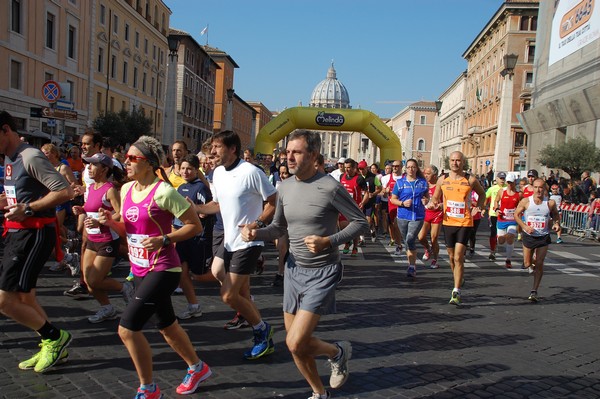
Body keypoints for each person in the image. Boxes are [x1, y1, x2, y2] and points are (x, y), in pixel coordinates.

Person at [241, 130, 368, 399]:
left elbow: (360, 222)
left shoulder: (331, 187)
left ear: (312, 156)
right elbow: (278, 229)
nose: (288, 157)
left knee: (295, 340)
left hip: (323, 270)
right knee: (295, 346)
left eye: (296, 152)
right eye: (287, 152)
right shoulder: (284, 187)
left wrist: (328, 241)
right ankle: (320, 390)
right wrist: (256, 233)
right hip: (293, 269)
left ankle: (337, 352)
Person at [99, 135, 211, 398]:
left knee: (127, 329)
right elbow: (129, 229)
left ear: (148, 163)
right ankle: (197, 367)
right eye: (125, 157)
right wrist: (109, 223)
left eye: (132, 158)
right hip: (139, 268)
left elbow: (194, 225)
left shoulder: (164, 192)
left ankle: (148, 388)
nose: (126, 162)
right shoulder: (126, 190)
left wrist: (165, 238)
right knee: (167, 326)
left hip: (164, 268)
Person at [0, 110, 74, 373]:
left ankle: (55, 337)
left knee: (5, 300)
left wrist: (28, 208)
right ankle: (51, 344)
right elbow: (15, 197)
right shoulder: (10, 158)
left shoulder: (29, 155)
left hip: (33, 233)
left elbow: (63, 190)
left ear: (5, 129)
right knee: (26, 297)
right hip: (17, 232)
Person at [197, 130, 277, 360]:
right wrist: (195, 208)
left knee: (228, 296)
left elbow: (273, 201)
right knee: (216, 271)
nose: (212, 152)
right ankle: (246, 302)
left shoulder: (251, 172)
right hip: (229, 239)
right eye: (212, 147)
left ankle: (262, 330)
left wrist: (257, 223)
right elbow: (216, 204)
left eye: (217, 147)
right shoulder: (218, 173)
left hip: (248, 242)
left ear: (232, 149)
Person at [72, 153, 132, 323]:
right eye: (88, 165)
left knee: (94, 279)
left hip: (107, 240)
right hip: (92, 239)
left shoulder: (110, 190)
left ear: (105, 169)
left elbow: (120, 214)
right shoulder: (91, 188)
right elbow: (90, 207)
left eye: (93, 165)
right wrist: (81, 209)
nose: (88, 168)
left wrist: (102, 222)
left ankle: (124, 287)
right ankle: (108, 308)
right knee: (89, 282)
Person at [427, 151, 485, 306]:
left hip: (465, 222)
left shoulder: (470, 179)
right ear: (449, 162)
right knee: (452, 257)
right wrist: (434, 203)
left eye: (458, 160)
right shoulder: (442, 180)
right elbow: (435, 197)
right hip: (448, 222)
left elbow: (482, 195)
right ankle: (459, 277)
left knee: (459, 256)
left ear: (463, 162)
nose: (455, 163)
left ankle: (456, 291)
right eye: (452, 160)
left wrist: (478, 207)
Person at [174, 154, 214, 320]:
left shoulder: (201, 188)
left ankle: (234, 283)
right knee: (182, 273)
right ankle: (194, 306)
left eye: (189, 168)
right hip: (183, 237)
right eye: (183, 168)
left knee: (199, 275)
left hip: (199, 238)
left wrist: (199, 210)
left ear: (196, 170)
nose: (185, 171)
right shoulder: (180, 188)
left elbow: (209, 209)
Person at [514, 178, 561, 302]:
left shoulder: (550, 203)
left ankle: (534, 291)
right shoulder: (526, 201)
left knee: (539, 263)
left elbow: (555, 214)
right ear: (532, 188)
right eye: (536, 187)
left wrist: (556, 223)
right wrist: (524, 226)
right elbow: (516, 215)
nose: (538, 190)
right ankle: (532, 261)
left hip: (543, 236)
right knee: (527, 264)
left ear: (544, 188)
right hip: (529, 236)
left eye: (541, 187)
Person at [390, 159, 429, 277]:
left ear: (417, 168)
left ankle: (412, 266)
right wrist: (402, 203)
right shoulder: (400, 183)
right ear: (405, 169)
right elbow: (393, 199)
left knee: (410, 238)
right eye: (409, 167)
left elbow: (427, 197)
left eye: (413, 167)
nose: (411, 169)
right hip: (402, 216)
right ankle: (411, 265)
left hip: (417, 216)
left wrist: (426, 200)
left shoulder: (422, 182)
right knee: (407, 241)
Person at [339, 159, 368, 256]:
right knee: (343, 226)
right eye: (345, 168)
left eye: (349, 168)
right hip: (343, 206)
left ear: (354, 168)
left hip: (355, 207)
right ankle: (347, 242)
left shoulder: (359, 179)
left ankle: (355, 247)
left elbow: (366, 193)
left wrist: (363, 202)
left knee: (354, 228)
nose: (347, 170)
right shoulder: (341, 177)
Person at [494, 175, 521, 268]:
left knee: (510, 239)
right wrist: (496, 209)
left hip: (513, 220)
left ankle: (508, 260)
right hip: (502, 219)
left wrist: (519, 213)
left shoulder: (518, 194)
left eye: (511, 182)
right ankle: (504, 237)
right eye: (508, 182)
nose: (509, 184)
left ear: (515, 182)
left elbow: (522, 206)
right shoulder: (502, 191)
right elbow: (496, 201)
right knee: (500, 241)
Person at [418, 165, 443, 269]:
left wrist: (442, 205)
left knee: (434, 238)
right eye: (425, 173)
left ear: (435, 175)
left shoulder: (441, 184)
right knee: (421, 237)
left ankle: (435, 260)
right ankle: (428, 249)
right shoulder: (424, 185)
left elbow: (447, 198)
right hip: (426, 213)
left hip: (437, 213)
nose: (426, 175)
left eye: (428, 174)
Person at [272, 162, 293, 287]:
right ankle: (280, 273)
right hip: (283, 222)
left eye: (285, 173)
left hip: (296, 223)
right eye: (280, 173)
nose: (282, 176)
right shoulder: (280, 186)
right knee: (282, 248)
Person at [357, 160, 382, 245]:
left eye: (362, 169)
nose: (361, 171)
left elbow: (379, 188)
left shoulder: (373, 177)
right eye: (359, 169)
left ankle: (372, 229)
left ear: (367, 168)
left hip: (370, 201)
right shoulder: (358, 177)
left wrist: (373, 193)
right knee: (360, 220)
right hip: (359, 201)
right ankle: (362, 239)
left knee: (368, 220)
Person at [485, 172, 507, 260]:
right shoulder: (492, 189)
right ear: (496, 179)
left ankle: (497, 244)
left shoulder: (507, 188)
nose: (502, 180)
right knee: (493, 233)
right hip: (493, 214)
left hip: (504, 215)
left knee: (502, 235)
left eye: (503, 178)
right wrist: (483, 208)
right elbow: (485, 197)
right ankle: (492, 251)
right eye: (500, 178)